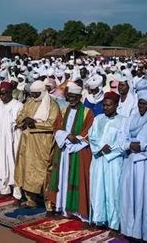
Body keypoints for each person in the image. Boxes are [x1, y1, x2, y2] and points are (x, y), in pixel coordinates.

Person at [48, 82, 94, 221]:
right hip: (63, 150)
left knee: (77, 178)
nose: (71, 99)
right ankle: (61, 207)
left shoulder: (87, 112)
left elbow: (89, 131)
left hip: (78, 150)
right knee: (62, 178)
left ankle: (77, 212)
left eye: (74, 96)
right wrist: (67, 136)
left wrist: (76, 138)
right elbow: (56, 127)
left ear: (80, 96)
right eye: (69, 96)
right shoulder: (63, 110)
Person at [15, 80, 60, 209]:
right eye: (32, 94)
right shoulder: (29, 102)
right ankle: (31, 200)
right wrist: (23, 120)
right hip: (27, 141)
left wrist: (34, 123)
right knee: (26, 169)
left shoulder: (52, 105)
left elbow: (53, 124)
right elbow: (20, 116)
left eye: (36, 94)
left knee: (44, 171)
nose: (34, 96)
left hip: (42, 143)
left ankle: (49, 203)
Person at [89, 91, 128, 231]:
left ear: (116, 105)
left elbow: (124, 142)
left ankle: (114, 224)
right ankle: (99, 219)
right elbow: (91, 136)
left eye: (109, 105)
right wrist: (100, 149)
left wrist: (110, 151)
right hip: (98, 159)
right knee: (97, 189)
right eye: (104, 105)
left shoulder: (124, 120)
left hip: (114, 161)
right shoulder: (98, 118)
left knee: (113, 191)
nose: (106, 108)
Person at [120, 79, 147, 241]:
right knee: (129, 197)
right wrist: (130, 144)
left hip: (145, 165)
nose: (141, 106)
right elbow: (121, 138)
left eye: (144, 104)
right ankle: (130, 230)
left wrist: (142, 145)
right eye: (140, 103)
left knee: (144, 198)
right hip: (131, 163)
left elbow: (143, 144)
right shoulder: (132, 118)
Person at [0, 81, 23, 198]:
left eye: (4, 94)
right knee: (1, 164)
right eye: (0, 94)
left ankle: (17, 194)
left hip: (13, 140)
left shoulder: (17, 105)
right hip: (0, 140)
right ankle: (4, 190)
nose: (1, 97)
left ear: (10, 93)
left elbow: (18, 123)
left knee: (13, 165)